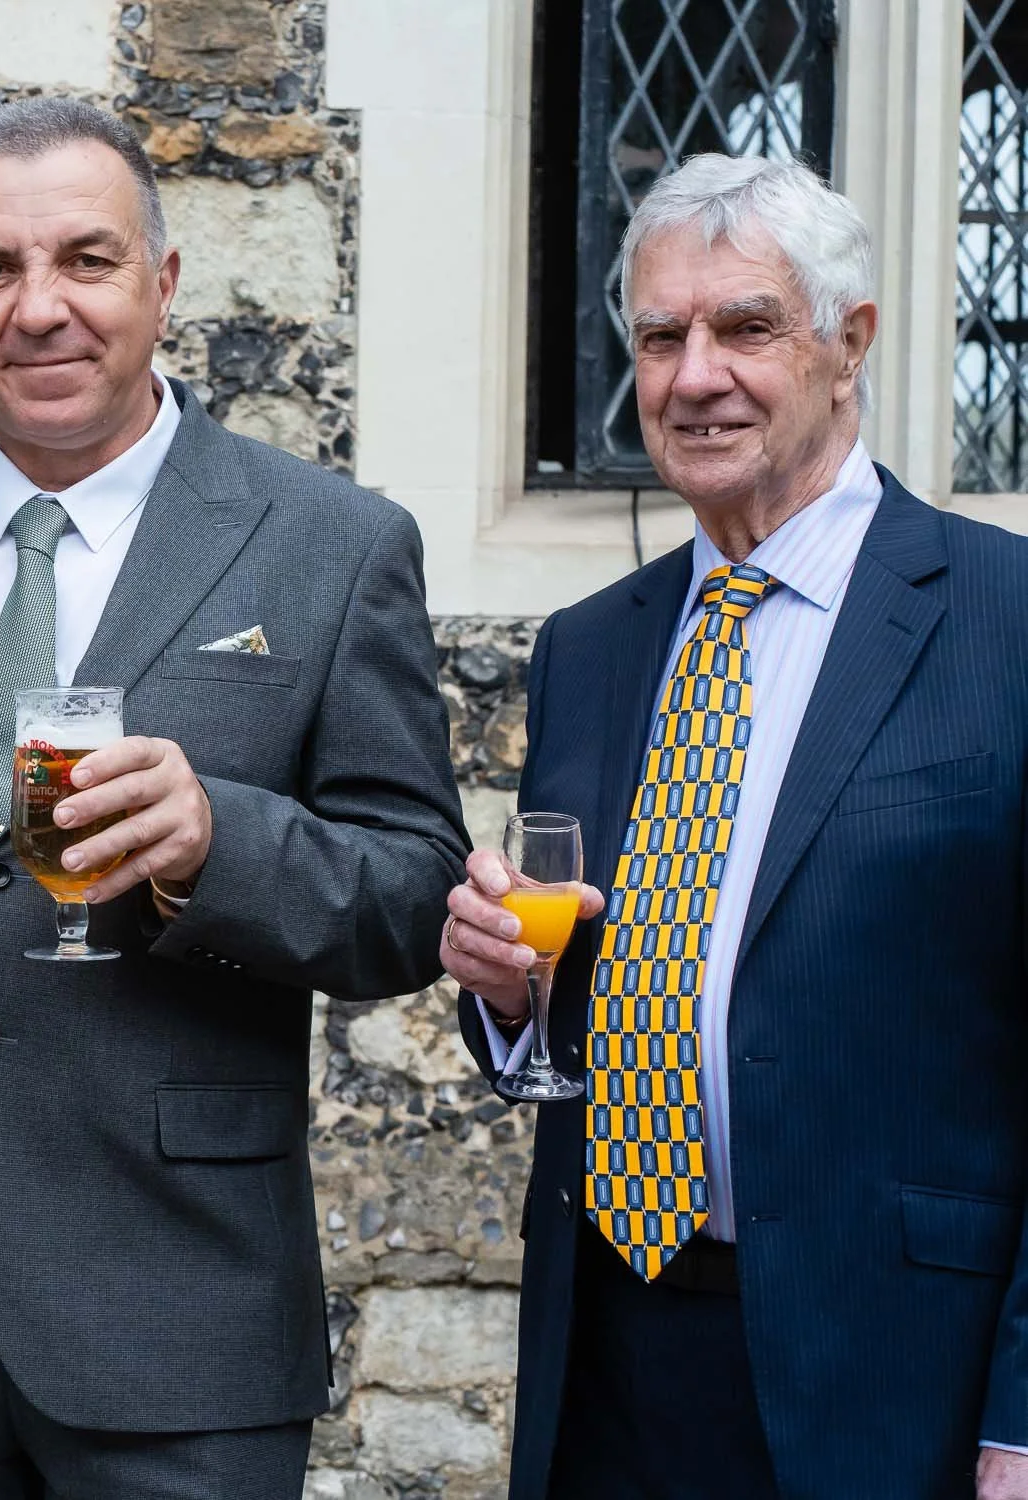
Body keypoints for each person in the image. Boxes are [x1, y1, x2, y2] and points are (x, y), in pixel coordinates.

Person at [0, 97, 469, 1498]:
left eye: (86, 261)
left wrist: (222, 842)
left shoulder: (329, 545)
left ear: (163, 284)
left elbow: (414, 893)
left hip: (181, 1313)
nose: (39, 308)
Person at [440, 154, 1028, 1500]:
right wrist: (509, 990)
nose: (694, 377)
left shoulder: (1003, 621)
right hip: (614, 1361)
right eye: (660, 338)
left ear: (849, 343)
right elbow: (580, 991)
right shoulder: (590, 646)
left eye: (745, 328)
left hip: (899, 1378)